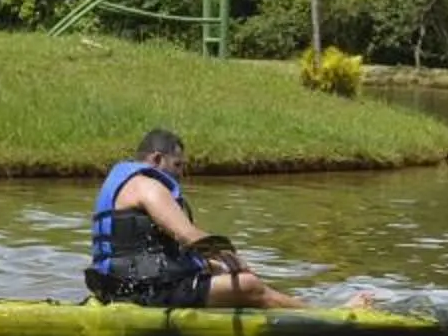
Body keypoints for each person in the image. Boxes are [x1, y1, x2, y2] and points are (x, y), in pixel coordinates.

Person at [85, 127, 297, 309]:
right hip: (141, 291)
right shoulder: (147, 186)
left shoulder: (125, 183)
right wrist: (229, 255)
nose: (181, 173)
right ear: (158, 159)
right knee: (248, 285)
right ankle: (318, 317)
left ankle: (299, 308)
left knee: (223, 273)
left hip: (119, 285)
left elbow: (168, 250)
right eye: (178, 165)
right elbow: (187, 236)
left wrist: (215, 264)